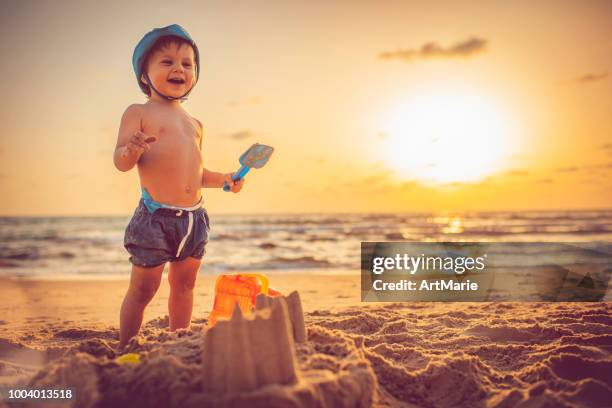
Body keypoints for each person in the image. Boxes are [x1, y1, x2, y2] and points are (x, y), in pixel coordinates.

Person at [113, 24, 243, 348]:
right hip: (155, 217)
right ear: (144, 75)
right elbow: (121, 161)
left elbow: (197, 174)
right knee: (144, 288)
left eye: (187, 63)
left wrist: (225, 179)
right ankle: (126, 345)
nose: (178, 69)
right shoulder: (139, 112)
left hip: (194, 219)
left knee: (184, 285)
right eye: (167, 62)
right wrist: (133, 149)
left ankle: (177, 341)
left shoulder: (195, 124)